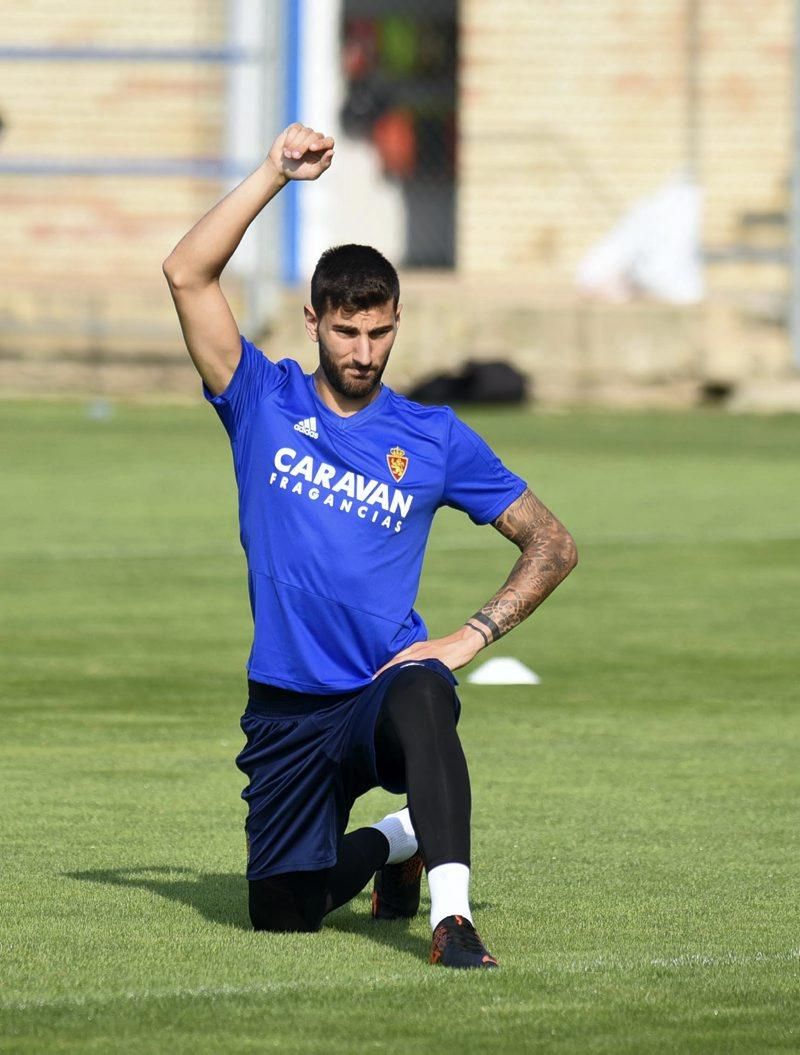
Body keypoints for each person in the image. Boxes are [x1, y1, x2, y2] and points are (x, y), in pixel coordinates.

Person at [163, 123, 577, 970]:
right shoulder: (258, 398)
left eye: (380, 333)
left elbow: (551, 542)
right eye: (347, 332)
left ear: (396, 324)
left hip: (381, 689)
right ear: (313, 321)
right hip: (286, 705)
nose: (363, 352)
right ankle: (400, 839)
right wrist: (274, 173)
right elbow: (185, 272)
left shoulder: (434, 436)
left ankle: (452, 920)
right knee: (284, 911)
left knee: (425, 692)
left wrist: (472, 634)